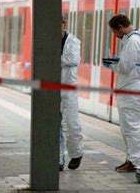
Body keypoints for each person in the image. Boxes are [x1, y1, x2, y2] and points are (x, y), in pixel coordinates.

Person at [104, 14, 140, 172]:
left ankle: (136, 161)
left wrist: (110, 64)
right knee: (128, 127)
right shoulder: (139, 38)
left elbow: (125, 67)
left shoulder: (132, 41)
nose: (115, 36)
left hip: (131, 89)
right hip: (134, 86)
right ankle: (131, 158)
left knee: (131, 127)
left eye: (115, 32)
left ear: (120, 28)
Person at [60, 14, 84, 171]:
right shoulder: (45, 39)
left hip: (68, 86)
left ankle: (76, 153)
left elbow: (73, 59)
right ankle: (58, 159)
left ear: (64, 23)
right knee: (55, 125)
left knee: (71, 123)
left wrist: (52, 58)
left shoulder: (73, 41)